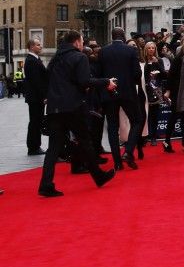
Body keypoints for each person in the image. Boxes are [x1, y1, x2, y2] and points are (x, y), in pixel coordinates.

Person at [38, 31, 117, 197]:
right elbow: (84, 81)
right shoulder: (79, 57)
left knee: (53, 147)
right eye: (82, 41)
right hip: (72, 106)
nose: (83, 44)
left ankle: (46, 184)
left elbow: (47, 80)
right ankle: (98, 176)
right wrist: (106, 82)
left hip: (54, 107)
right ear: (76, 42)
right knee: (85, 141)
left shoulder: (55, 59)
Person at [99, 27, 143, 170]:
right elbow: (137, 73)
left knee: (112, 126)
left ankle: (117, 162)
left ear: (112, 36)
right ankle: (128, 152)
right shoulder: (130, 51)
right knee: (137, 120)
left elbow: (100, 74)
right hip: (128, 92)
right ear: (123, 36)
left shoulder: (103, 51)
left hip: (109, 92)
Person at [23, 38, 48, 156]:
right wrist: (44, 96)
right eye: (38, 45)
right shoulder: (32, 61)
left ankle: (35, 146)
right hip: (35, 98)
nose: (40, 46)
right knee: (35, 122)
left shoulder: (34, 59)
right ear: (32, 47)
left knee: (36, 121)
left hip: (35, 97)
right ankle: (33, 147)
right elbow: (37, 82)